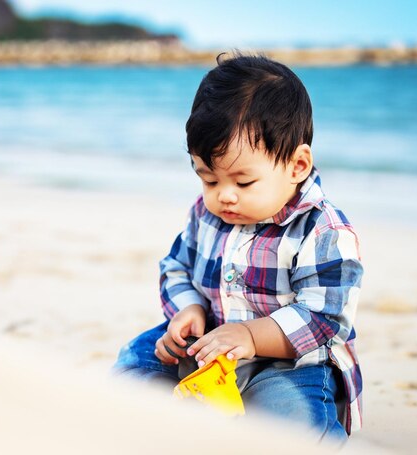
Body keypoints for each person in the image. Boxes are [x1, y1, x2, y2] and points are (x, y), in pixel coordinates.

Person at [113, 54, 363, 443]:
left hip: (286, 365)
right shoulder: (206, 214)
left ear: (297, 166)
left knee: (292, 423)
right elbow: (176, 266)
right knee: (135, 362)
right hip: (208, 345)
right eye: (209, 180)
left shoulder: (322, 229)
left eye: (243, 183)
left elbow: (324, 318)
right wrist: (188, 310)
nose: (224, 197)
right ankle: (164, 421)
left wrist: (250, 335)